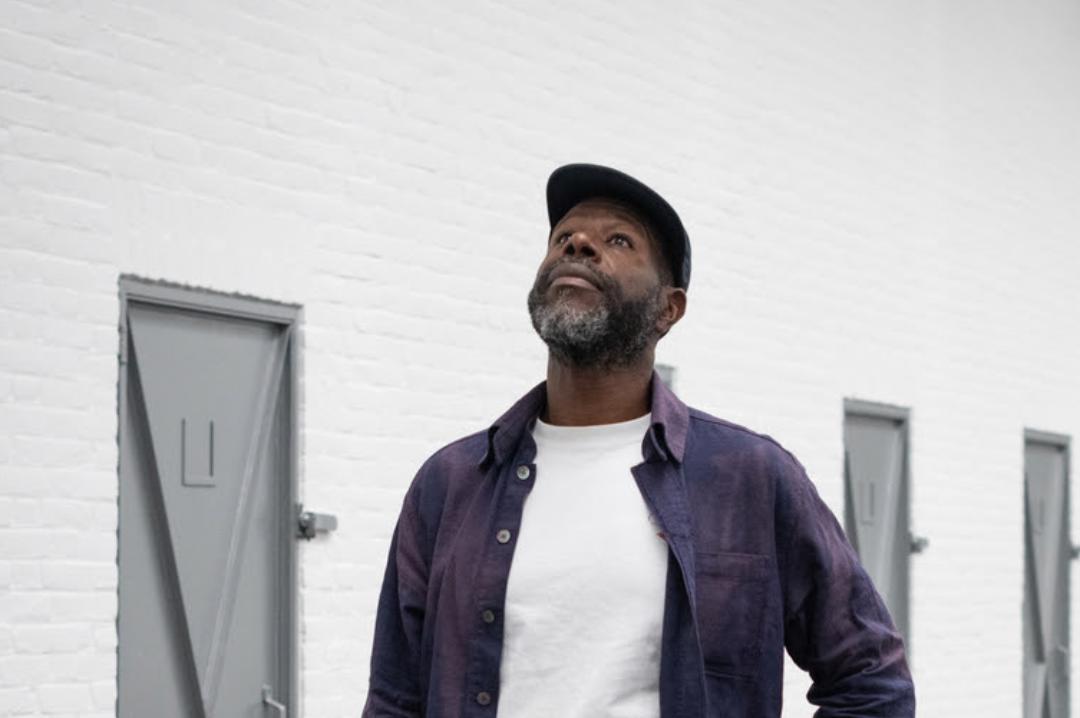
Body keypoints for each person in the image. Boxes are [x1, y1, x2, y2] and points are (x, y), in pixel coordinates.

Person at [362, 163, 915, 717]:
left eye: (619, 240)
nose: (578, 244)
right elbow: (394, 701)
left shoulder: (749, 477)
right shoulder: (451, 484)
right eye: (563, 237)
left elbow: (871, 681)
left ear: (668, 310)